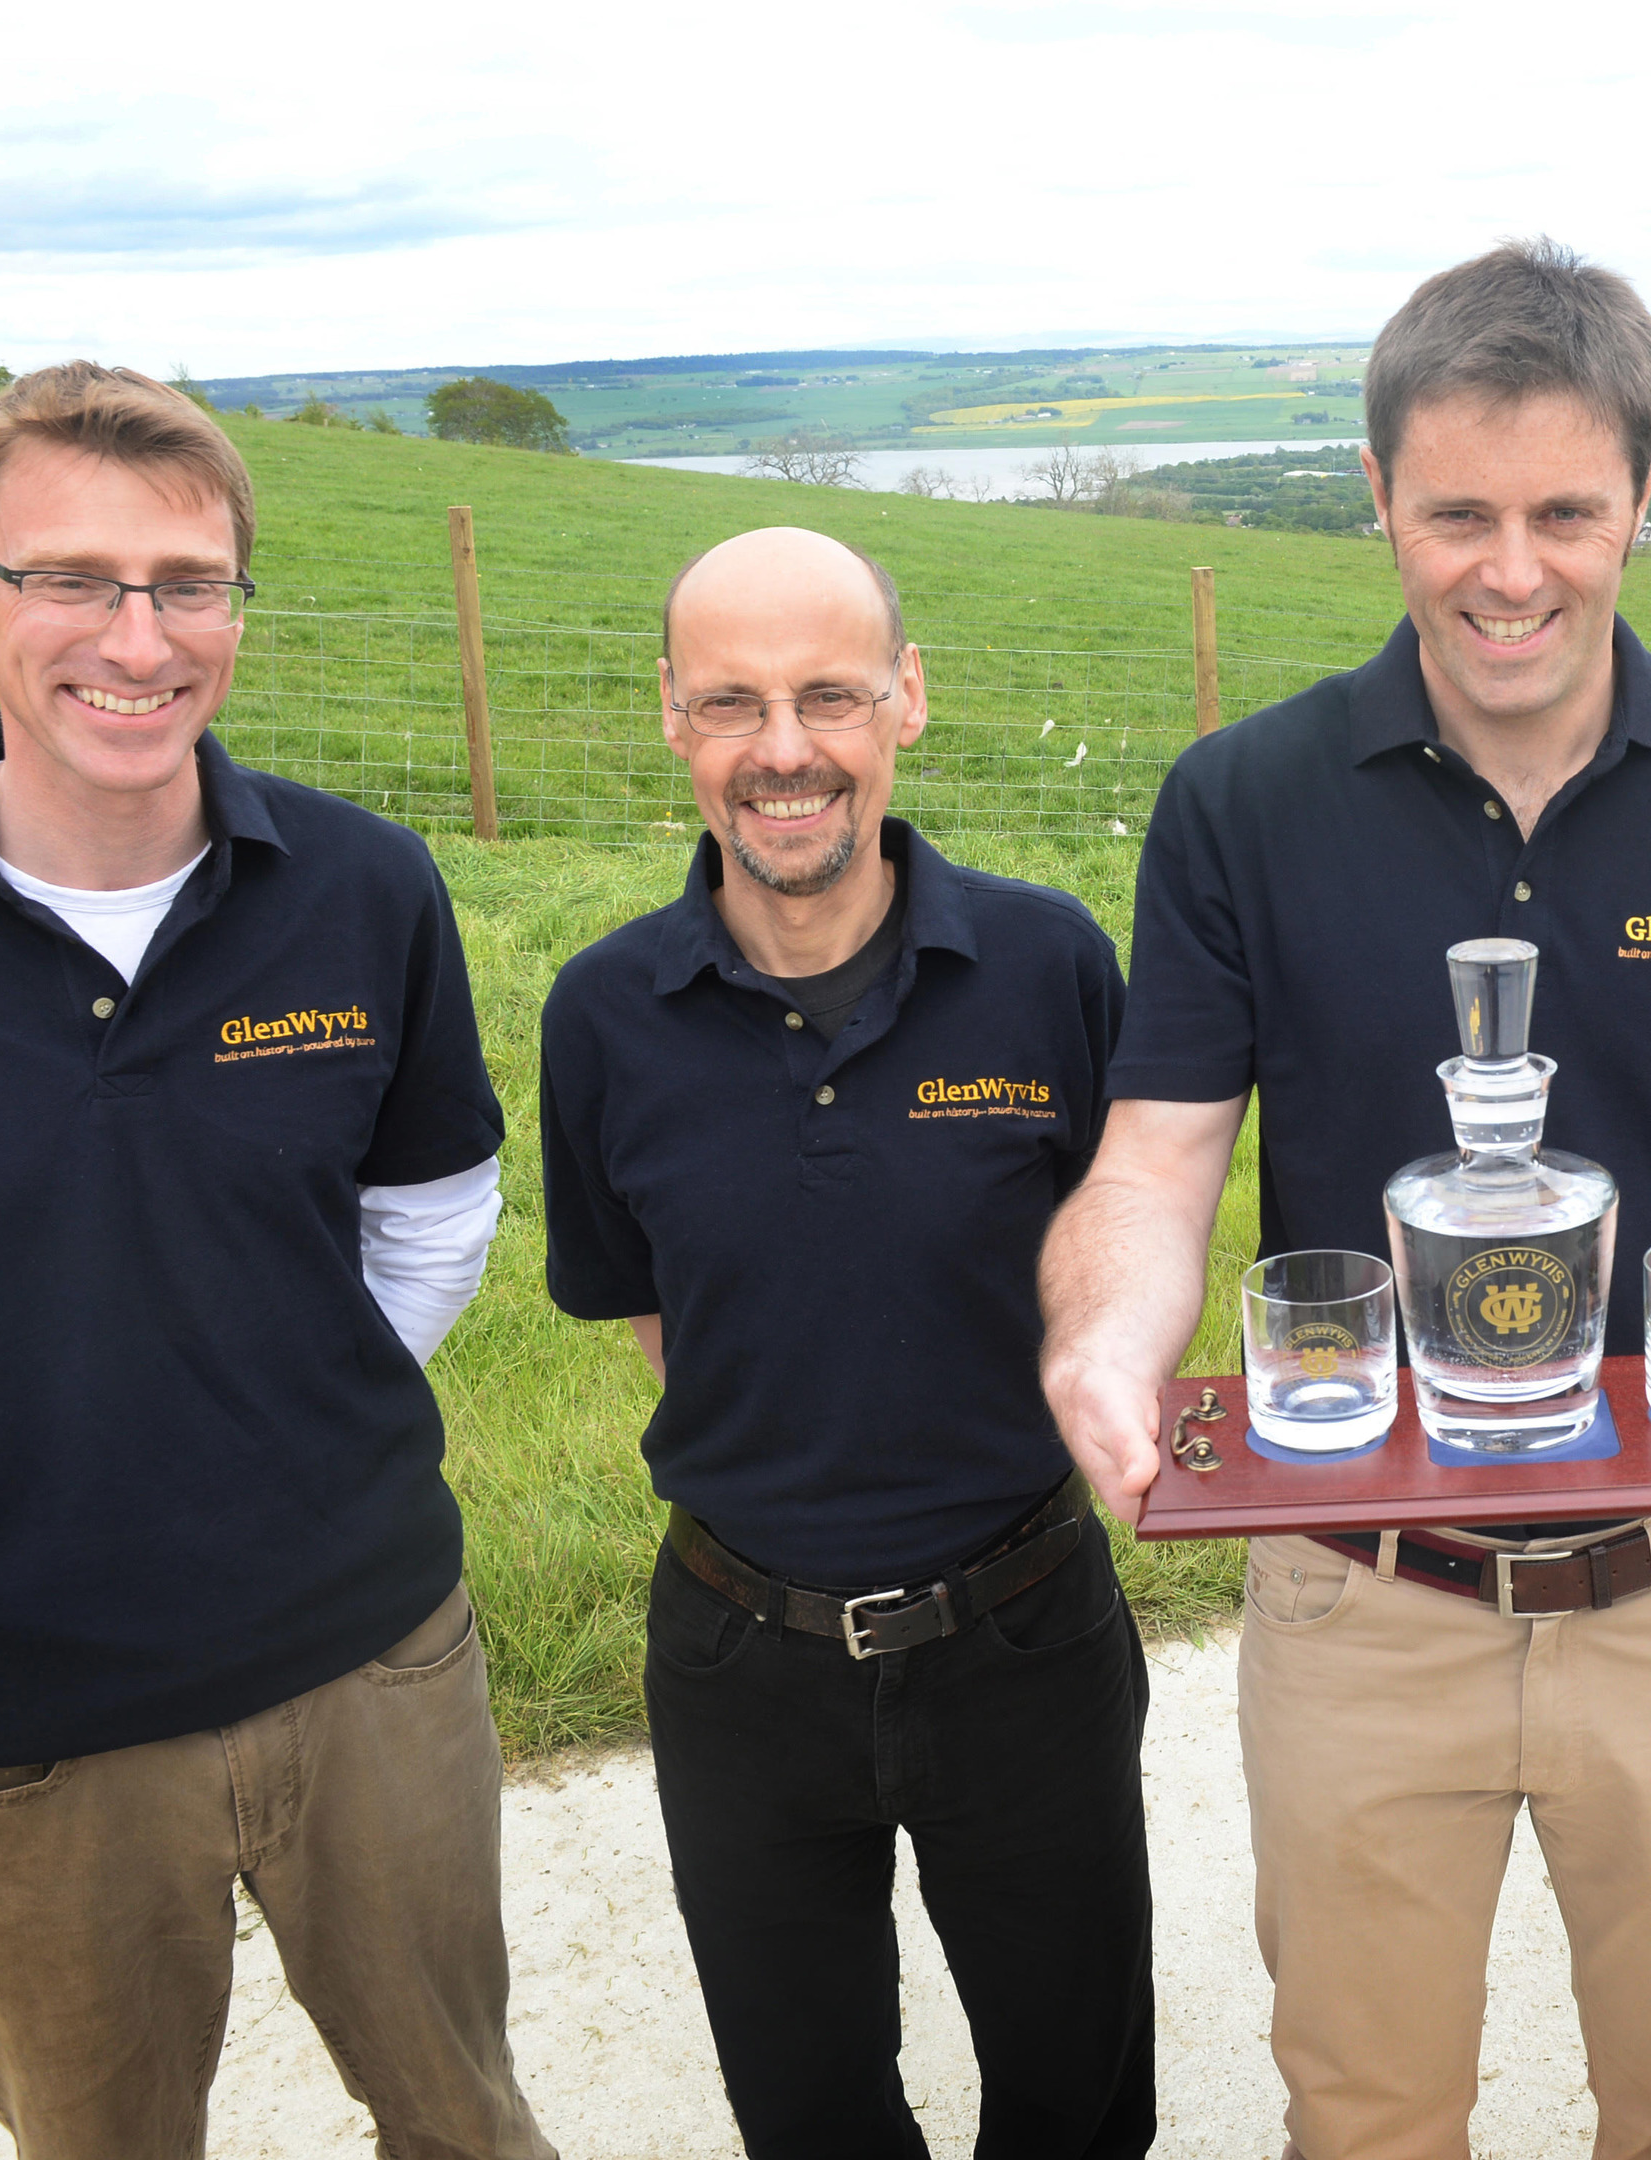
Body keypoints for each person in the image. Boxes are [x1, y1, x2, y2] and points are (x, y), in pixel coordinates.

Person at [1036, 237, 1651, 2160]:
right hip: (1360, 1600)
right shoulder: (1241, 800)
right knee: (1369, 2118)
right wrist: (1105, 1349)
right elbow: (1152, 1165)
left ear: (1642, 496)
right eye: (1456, 511)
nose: (1510, 569)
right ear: (1378, 495)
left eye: (1565, 511)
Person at [0, 362, 545, 2157]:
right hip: (18, 1724)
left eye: (186, 585)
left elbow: (432, 1221)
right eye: (72, 577)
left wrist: (268, 1429)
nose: (137, 638)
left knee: (464, 2119)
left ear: (231, 608)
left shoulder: (365, 891)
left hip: (371, 1662)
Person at [538, 527, 1149, 2158]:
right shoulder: (602, 1015)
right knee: (805, 2112)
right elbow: (663, 1319)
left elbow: (1122, 1251)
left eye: (827, 695)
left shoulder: (1048, 968)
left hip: (1027, 1631)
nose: (784, 750)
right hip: (741, 1656)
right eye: (732, 703)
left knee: (1078, 2093)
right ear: (671, 715)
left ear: (906, 702)